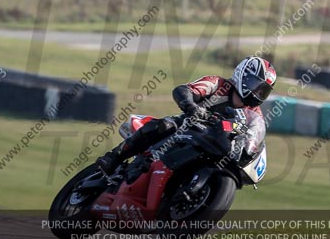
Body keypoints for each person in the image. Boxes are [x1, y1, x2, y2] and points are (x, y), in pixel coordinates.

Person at [95, 56, 277, 174]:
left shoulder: (255, 114)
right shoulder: (218, 84)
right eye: (256, 86)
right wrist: (191, 106)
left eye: (263, 91)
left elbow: (254, 135)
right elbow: (183, 90)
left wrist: (249, 150)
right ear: (243, 75)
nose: (258, 93)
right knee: (164, 125)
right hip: (187, 128)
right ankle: (114, 156)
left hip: (215, 145)